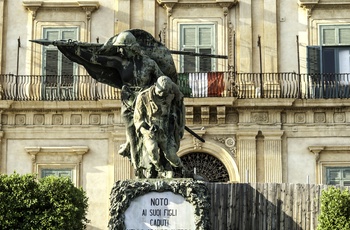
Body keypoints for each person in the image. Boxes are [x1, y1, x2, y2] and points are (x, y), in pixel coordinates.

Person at [111, 31, 165, 178]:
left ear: (130, 47)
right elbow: (97, 57)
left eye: (122, 47)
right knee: (132, 138)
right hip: (128, 105)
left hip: (145, 105)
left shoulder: (149, 64)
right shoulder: (120, 63)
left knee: (147, 136)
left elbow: (162, 81)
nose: (120, 51)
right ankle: (138, 169)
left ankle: (150, 169)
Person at [133, 76, 185, 178]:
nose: (162, 94)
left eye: (165, 93)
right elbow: (138, 120)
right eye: (160, 91)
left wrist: (178, 125)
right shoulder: (143, 97)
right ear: (155, 85)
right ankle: (159, 169)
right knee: (152, 149)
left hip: (166, 131)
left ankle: (182, 169)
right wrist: (146, 132)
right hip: (150, 132)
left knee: (172, 156)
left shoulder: (172, 95)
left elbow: (180, 107)